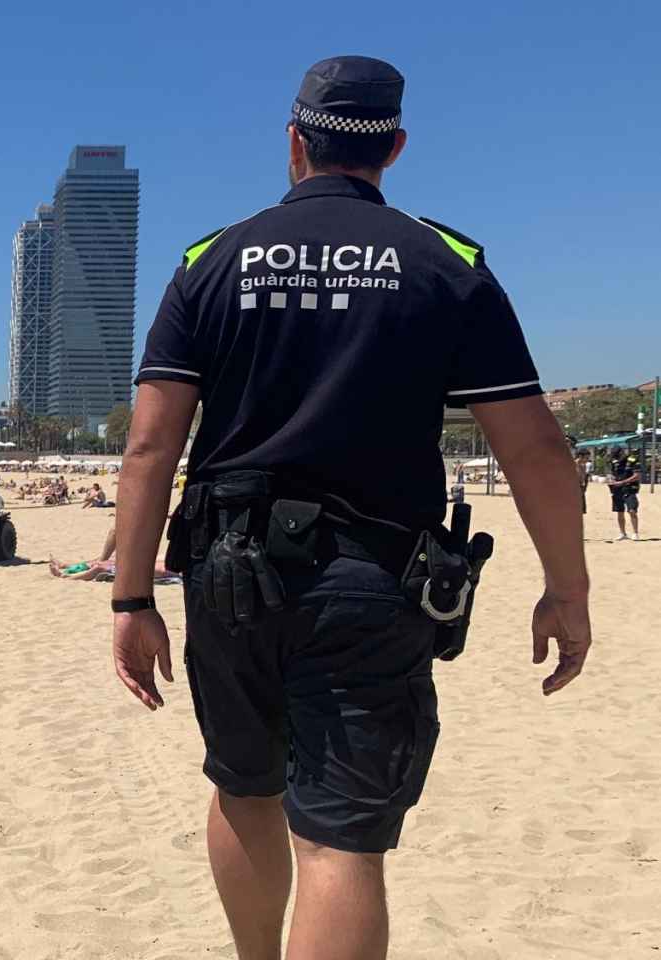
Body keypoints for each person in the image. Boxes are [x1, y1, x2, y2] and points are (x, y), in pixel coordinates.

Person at [112, 57, 592, 960]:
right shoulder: (445, 264)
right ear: (396, 148)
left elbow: (150, 448)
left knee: (244, 789)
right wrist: (569, 587)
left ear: (294, 143)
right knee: (339, 839)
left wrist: (130, 599)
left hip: (226, 574)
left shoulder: (208, 262)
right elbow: (534, 447)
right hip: (371, 579)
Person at [608, 446, 641, 539]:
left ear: (622, 452)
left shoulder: (632, 460)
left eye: (618, 456)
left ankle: (635, 533)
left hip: (629, 488)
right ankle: (622, 533)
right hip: (617, 489)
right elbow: (612, 473)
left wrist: (622, 482)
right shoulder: (614, 461)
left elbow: (637, 475)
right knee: (619, 511)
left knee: (632, 510)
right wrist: (611, 480)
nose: (617, 458)